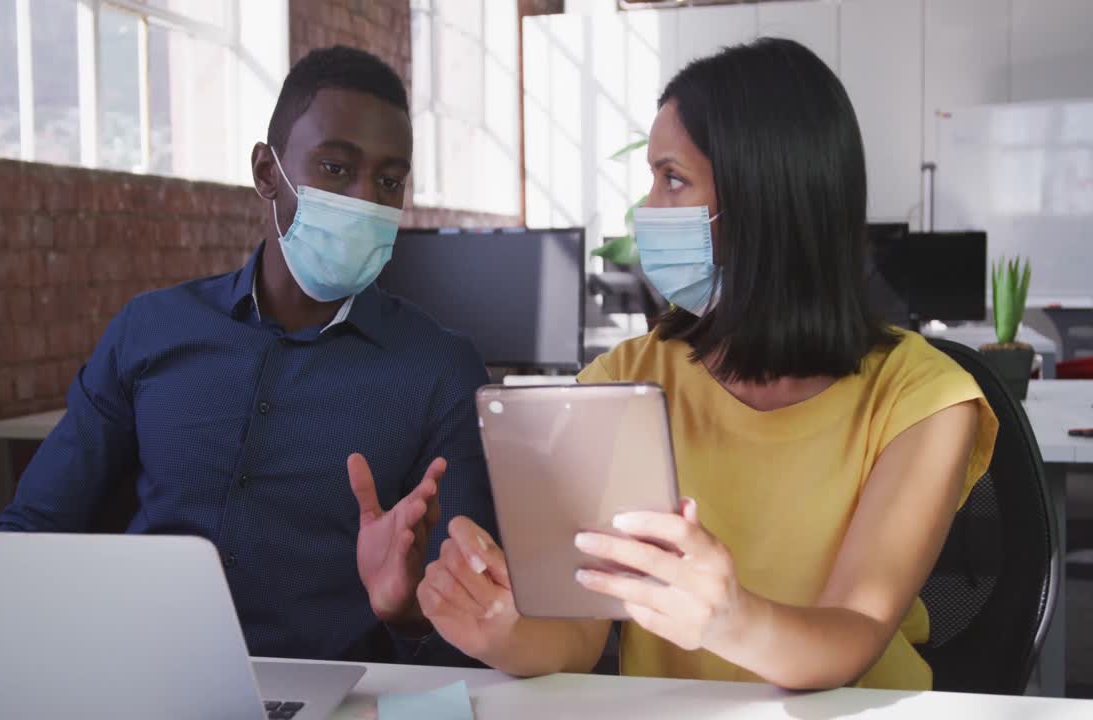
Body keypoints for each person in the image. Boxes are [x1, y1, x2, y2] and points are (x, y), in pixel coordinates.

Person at [414, 38, 998, 691]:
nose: (644, 211)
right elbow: (579, 636)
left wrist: (729, 619)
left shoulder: (924, 396)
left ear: (761, 199)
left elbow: (852, 636)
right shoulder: (623, 378)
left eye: (672, 178)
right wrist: (503, 630)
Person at [0, 46, 498, 665]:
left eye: (389, 181)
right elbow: (33, 531)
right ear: (267, 172)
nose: (366, 199)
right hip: (147, 680)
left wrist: (404, 613)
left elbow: (467, 625)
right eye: (337, 169)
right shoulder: (152, 330)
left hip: (343, 696)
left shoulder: (439, 370)